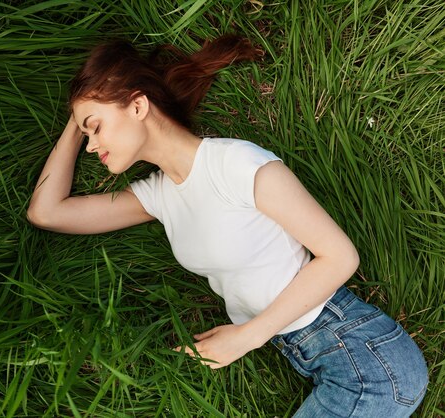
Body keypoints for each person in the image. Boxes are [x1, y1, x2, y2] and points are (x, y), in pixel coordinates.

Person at [27, 35, 428, 417]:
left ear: (136, 106)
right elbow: (47, 213)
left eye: (95, 127)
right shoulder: (158, 195)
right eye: (87, 135)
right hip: (318, 357)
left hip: (364, 357)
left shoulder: (235, 164)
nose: (92, 145)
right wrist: (76, 119)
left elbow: (340, 256)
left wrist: (247, 336)